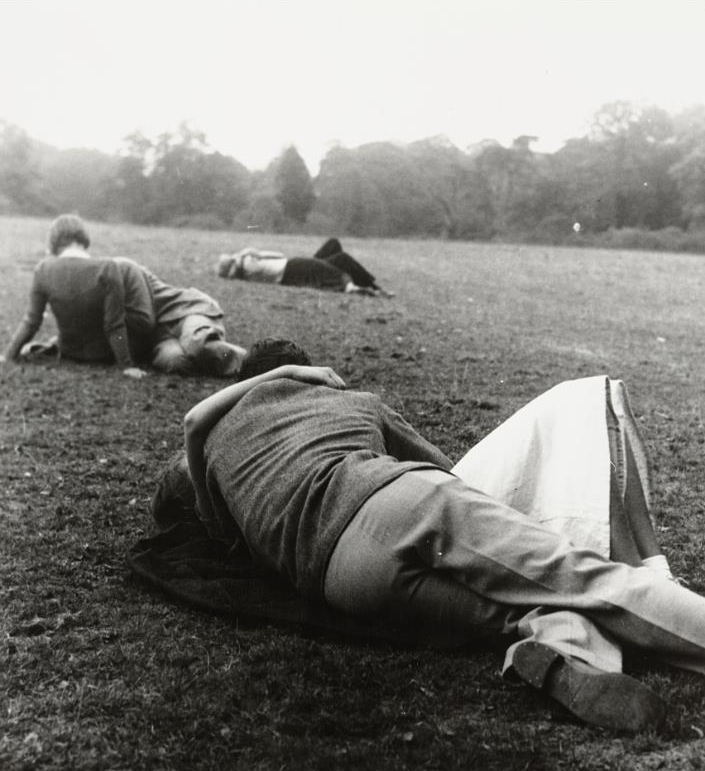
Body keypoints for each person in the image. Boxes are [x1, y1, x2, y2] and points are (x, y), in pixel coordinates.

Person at [158, 338, 705, 732]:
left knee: (517, 612)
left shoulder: (214, 446)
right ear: (308, 375)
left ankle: (566, 661)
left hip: (338, 579)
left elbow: (208, 485)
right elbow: (446, 470)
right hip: (396, 500)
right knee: (582, 579)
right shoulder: (351, 401)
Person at [1, 215, 245, 378]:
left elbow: (137, 322)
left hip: (184, 312)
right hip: (157, 337)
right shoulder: (89, 274)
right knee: (175, 362)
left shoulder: (120, 267)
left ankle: (258, 364)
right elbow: (93, 324)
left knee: (198, 345)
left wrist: (122, 359)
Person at [216, 238, 394, 297]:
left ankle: (371, 287)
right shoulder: (247, 261)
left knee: (335, 248)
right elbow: (279, 255)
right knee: (341, 260)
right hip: (293, 267)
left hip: (295, 268)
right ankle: (366, 287)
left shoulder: (245, 269)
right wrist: (248, 252)